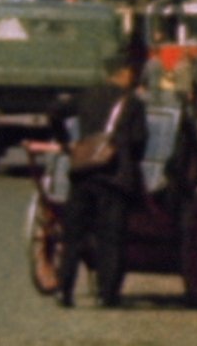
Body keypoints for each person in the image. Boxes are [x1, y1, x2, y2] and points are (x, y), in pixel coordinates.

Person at [50, 55, 148, 308]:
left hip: (83, 175)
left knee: (72, 236)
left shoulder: (88, 95)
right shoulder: (133, 103)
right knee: (111, 238)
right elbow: (139, 141)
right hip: (114, 179)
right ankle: (107, 294)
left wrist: (66, 144)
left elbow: (55, 112)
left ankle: (64, 290)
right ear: (124, 73)